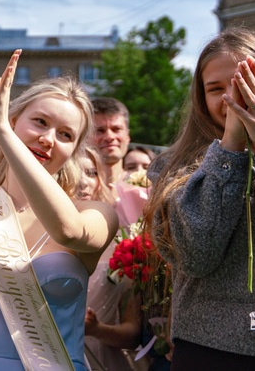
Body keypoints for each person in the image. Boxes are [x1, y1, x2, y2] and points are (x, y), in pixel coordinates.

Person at [0, 51, 117, 370]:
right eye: (40, 122)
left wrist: (1, 131)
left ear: (74, 151)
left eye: (65, 135)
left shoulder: (95, 213)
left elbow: (69, 232)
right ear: (13, 120)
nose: (48, 139)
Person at [146, 28, 255, 369]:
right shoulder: (172, 167)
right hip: (209, 350)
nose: (232, 97)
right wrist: (230, 149)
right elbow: (196, 255)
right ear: (201, 98)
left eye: (246, 80)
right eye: (216, 89)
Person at [80, 146, 141, 371]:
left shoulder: (123, 245)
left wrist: (97, 329)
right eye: (71, 170)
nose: (82, 181)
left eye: (91, 172)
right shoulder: (30, 235)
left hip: (101, 360)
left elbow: (132, 334)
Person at [92, 97, 131, 192]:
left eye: (116, 129)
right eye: (100, 130)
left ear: (127, 136)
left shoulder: (146, 188)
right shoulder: (70, 189)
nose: (109, 137)